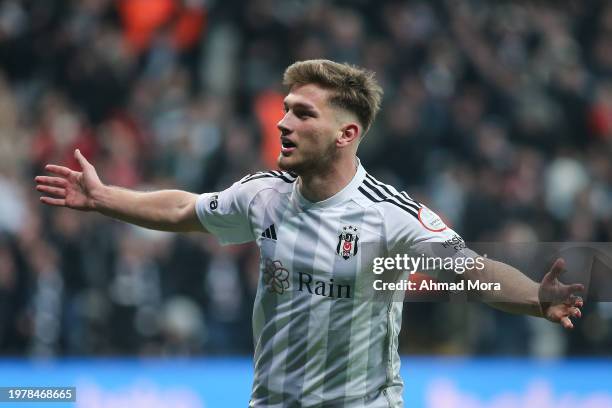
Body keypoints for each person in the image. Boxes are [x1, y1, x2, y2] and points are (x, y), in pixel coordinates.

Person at [35, 60, 584, 407]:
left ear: (346, 134)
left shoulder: (390, 216)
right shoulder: (262, 193)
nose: (282, 123)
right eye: (285, 110)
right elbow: (186, 209)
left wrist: (536, 297)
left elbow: (471, 272)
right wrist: (105, 197)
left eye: (302, 114)